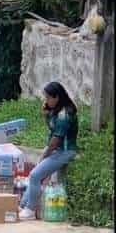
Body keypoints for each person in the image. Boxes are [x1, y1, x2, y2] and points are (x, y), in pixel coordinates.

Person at [19, 82, 79, 220]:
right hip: (56, 149)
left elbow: (56, 140)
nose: (46, 101)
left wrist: (45, 155)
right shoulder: (56, 110)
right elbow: (52, 129)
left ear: (57, 97)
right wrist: (46, 114)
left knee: (35, 175)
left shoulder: (64, 115)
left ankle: (30, 210)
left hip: (64, 151)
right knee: (35, 175)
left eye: (48, 98)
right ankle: (23, 205)